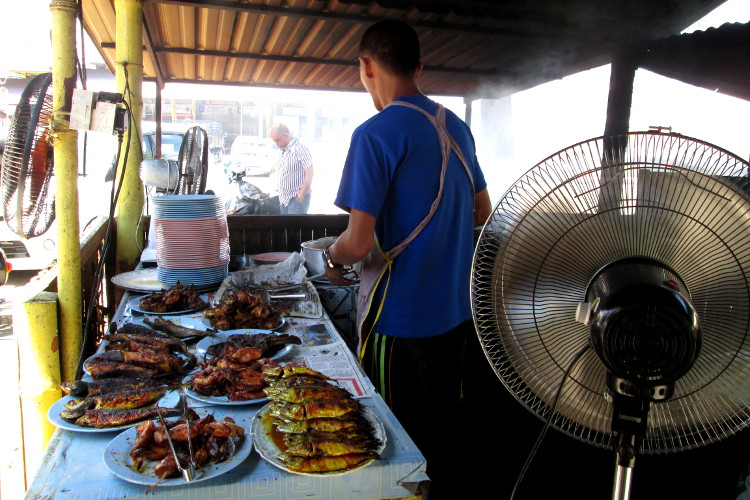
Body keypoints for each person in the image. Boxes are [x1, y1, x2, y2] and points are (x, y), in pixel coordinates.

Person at [323, 19, 492, 499]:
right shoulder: (458, 128)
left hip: (398, 324)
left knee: (390, 446)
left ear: (365, 65)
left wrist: (331, 258)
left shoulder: (375, 134)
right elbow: (482, 211)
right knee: (440, 438)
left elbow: (356, 245)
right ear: (418, 68)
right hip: (457, 320)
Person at [269, 123, 314, 214]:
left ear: (286, 135)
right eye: (274, 141)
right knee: (286, 227)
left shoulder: (300, 149)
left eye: (277, 140)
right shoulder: (282, 150)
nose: (276, 143)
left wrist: (301, 195)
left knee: (293, 227)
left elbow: (309, 173)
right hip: (283, 198)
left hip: (296, 198)